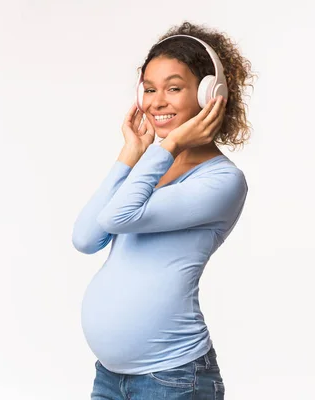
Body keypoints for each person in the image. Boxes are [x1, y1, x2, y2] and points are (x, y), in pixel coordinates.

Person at [72, 21, 256, 399]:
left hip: (173, 378)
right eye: (150, 89)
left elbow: (117, 218)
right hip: (109, 377)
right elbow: (86, 237)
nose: (157, 101)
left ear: (210, 95)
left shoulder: (222, 181)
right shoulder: (150, 166)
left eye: (174, 88)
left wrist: (167, 146)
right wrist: (130, 155)